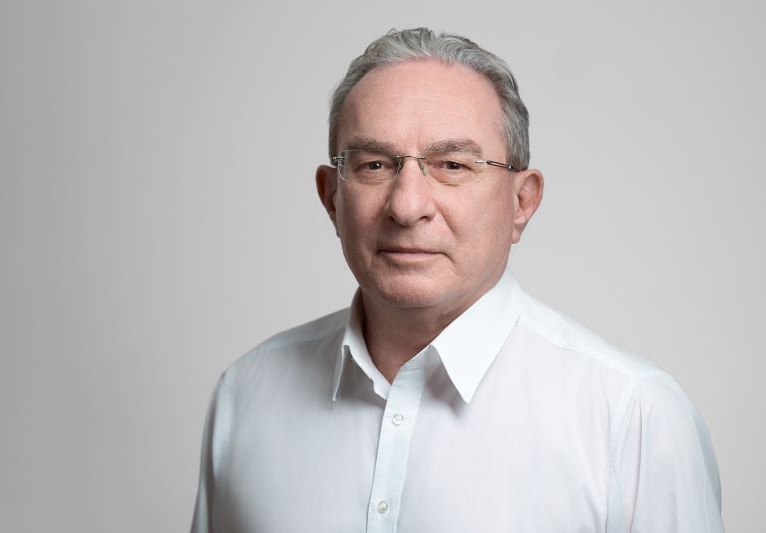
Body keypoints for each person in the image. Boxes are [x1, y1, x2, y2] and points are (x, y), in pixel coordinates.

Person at [190, 28, 724, 533]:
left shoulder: (634, 417)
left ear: (522, 202)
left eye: (452, 165)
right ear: (332, 197)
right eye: (374, 165)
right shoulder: (247, 393)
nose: (407, 206)